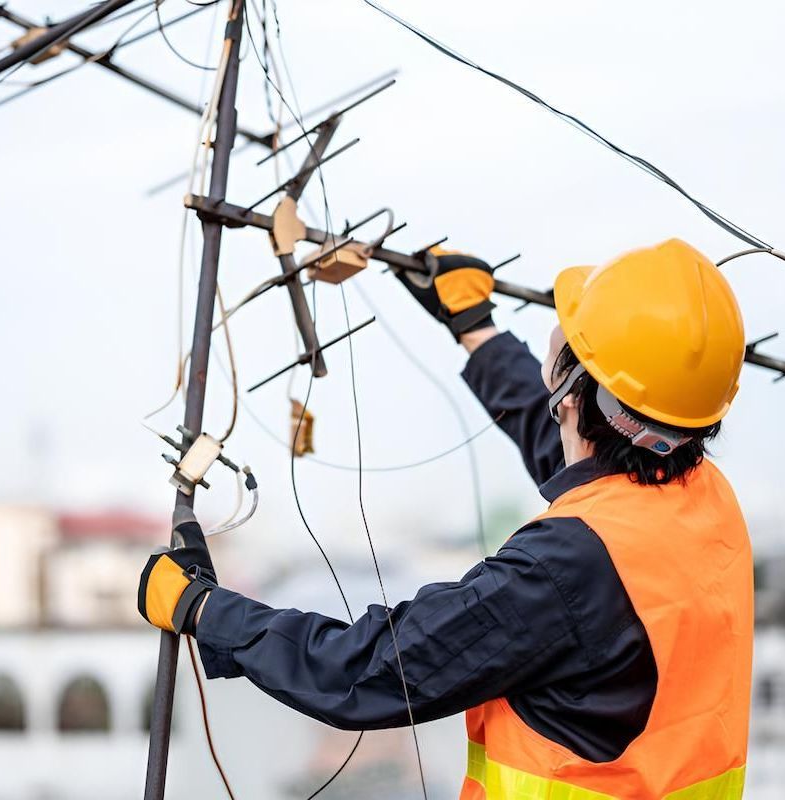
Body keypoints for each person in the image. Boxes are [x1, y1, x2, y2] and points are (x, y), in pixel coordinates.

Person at [137, 238, 754, 799]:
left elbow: (368, 670)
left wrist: (203, 610)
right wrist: (477, 329)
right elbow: (573, 443)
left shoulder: (563, 571)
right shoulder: (705, 501)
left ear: (570, 391)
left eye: (570, 331)